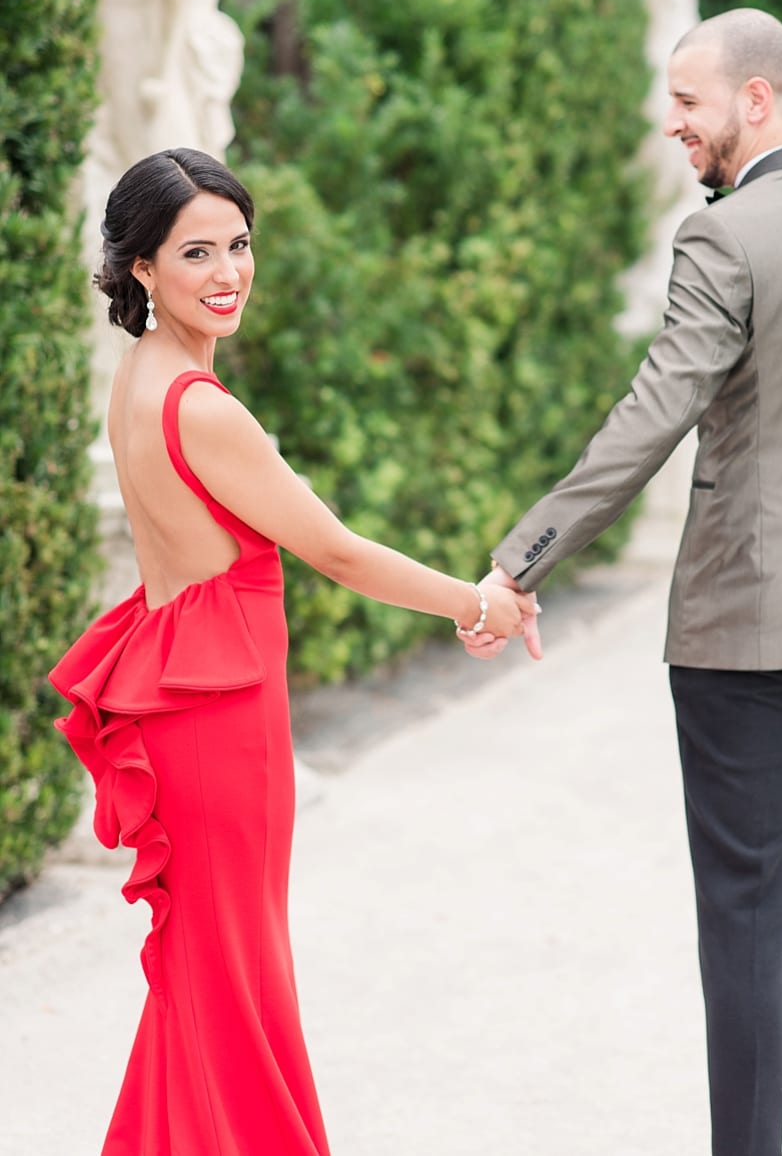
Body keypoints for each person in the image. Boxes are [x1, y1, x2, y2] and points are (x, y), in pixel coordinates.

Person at [463, 8, 782, 1156]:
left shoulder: (725, 239)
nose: (675, 125)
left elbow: (656, 411)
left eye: (690, 102)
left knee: (747, 918)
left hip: (743, 640)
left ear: (757, 100)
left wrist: (521, 556)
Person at [49, 147, 536, 1156]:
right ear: (141, 267)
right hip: (222, 725)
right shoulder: (202, 409)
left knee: (208, 974)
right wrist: (477, 601)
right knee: (234, 979)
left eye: (239, 244)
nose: (229, 272)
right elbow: (337, 550)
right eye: (197, 252)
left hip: (189, 706)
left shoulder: (141, 378)